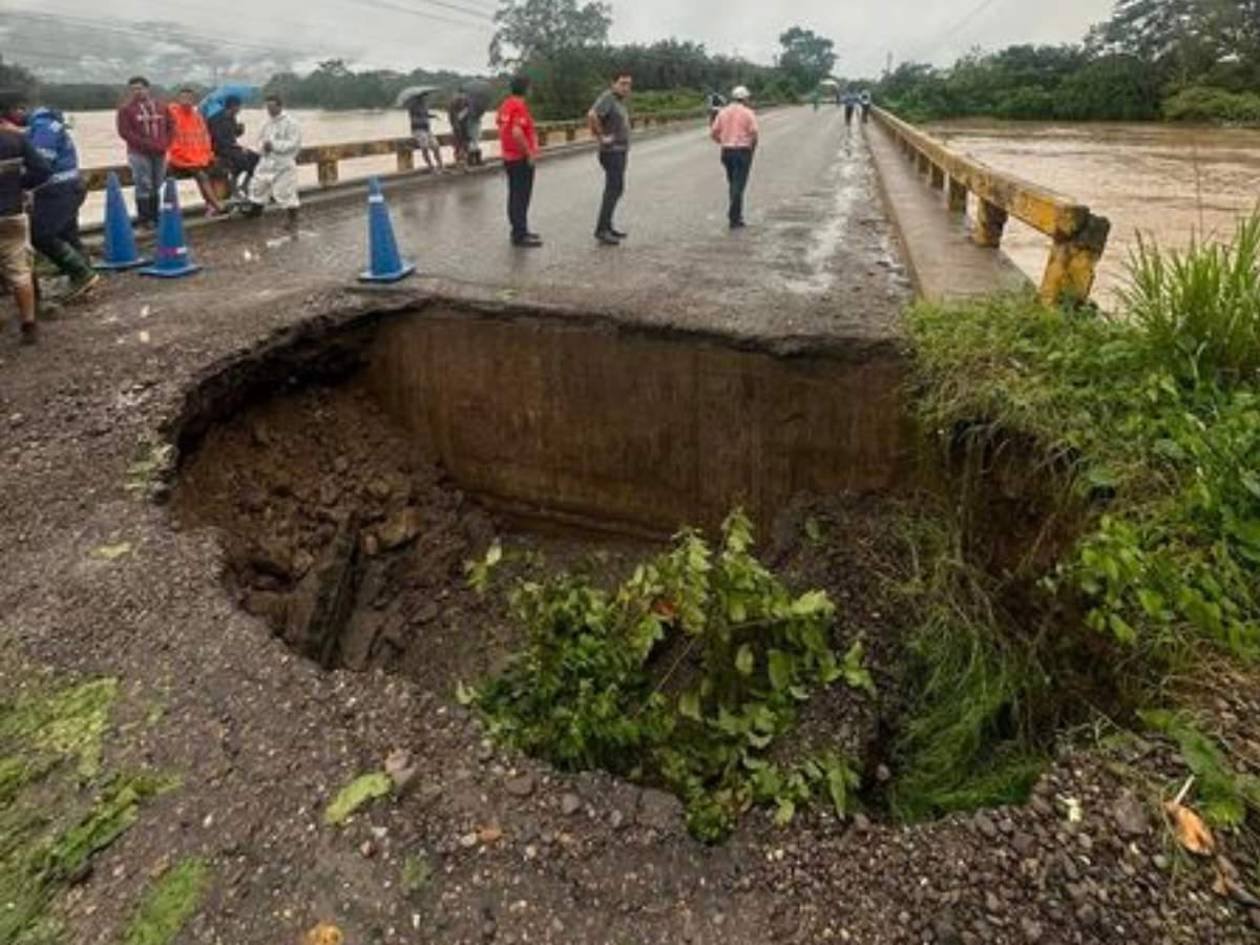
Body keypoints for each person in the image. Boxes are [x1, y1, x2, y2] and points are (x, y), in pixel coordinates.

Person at [2, 93, 99, 301]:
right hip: (69, 186)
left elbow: (42, 164)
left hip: (58, 190)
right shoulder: (44, 124)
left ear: (19, 109)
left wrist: (17, 184)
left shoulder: (42, 127)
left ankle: (81, 274)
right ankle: (85, 280)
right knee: (67, 234)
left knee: (40, 234)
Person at [0, 90, 52, 344]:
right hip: (11, 213)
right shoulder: (15, 139)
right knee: (20, 270)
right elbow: (43, 170)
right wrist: (19, 185)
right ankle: (29, 325)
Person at [116, 76, 171, 228]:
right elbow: (125, 132)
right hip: (138, 153)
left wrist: (166, 143)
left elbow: (171, 126)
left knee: (157, 183)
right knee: (143, 184)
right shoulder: (125, 110)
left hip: (160, 152)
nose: (137, 92)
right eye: (133, 89)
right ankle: (145, 219)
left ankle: (155, 216)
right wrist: (146, 145)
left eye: (140, 88)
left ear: (147, 89)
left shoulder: (161, 107)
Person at [245, 94, 302, 234]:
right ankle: (255, 213)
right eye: (267, 107)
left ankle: (292, 219)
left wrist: (274, 145)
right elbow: (258, 140)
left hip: (283, 163)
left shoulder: (291, 123)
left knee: (285, 192)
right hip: (266, 162)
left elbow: (294, 143)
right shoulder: (265, 123)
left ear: (280, 106)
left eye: (272, 107)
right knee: (258, 187)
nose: (269, 110)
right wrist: (263, 147)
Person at [587, 71, 632, 246]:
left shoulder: (619, 101)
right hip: (612, 152)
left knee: (616, 189)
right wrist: (601, 137)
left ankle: (608, 226)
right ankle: (601, 230)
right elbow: (592, 115)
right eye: (622, 83)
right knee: (613, 190)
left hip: (620, 151)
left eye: (628, 84)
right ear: (613, 84)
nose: (626, 87)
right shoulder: (608, 97)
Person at [496, 75, 541, 248]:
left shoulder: (505, 105)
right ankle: (520, 235)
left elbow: (502, 128)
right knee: (521, 196)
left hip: (508, 157)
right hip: (520, 158)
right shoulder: (519, 106)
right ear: (527, 89)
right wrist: (529, 153)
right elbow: (516, 132)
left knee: (515, 195)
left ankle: (520, 230)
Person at [167, 87, 225, 216]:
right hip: (180, 159)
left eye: (189, 98)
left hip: (199, 157)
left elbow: (205, 138)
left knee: (218, 169)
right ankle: (215, 205)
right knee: (201, 175)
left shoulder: (198, 117)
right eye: (183, 98)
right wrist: (188, 157)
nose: (186, 100)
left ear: (193, 100)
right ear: (178, 99)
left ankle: (215, 203)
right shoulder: (172, 115)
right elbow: (172, 142)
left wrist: (209, 155)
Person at [710, 86, 759, 230]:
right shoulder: (748, 112)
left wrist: (723, 142)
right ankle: (734, 217)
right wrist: (751, 148)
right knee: (739, 185)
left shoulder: (723, 112)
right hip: (742, 151)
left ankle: (737, 216)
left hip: (727, 151)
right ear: (745, 98)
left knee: (732, 183)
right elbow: (754, 133)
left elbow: (713, 133)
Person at [208, 95, 259, 198]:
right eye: (239, 107)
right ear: (233, 106)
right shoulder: (215, 119)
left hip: (232, 147)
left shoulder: (232, 117)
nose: (240, 109)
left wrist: (239, 130)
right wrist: (237, 147)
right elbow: (218, 138)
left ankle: (245, 184)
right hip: (220, 148)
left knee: (257, 158)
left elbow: (233, 134)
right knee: (242, 160)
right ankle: (233, 185)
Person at [406, 93, 443, 173]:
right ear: (418, 98)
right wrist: (420, 115)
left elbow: (425, 114)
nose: (424, 99)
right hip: (418, 130)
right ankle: (431, 166)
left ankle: (440, 165)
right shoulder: (413, 106)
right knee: (425, 147)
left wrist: (433, 116)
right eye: (423, 97)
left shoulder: (424, 105)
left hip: (427, 129)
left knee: (436, 146)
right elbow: (414, 117)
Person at [446, 90, 470, 168]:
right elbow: (452, 119)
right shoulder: (453, 106)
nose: (462, 99)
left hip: (464, 128)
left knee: (464, 146)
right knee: (459, 146)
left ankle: (464, 163)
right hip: (458, 129)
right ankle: (459, 162)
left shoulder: (466, 105)